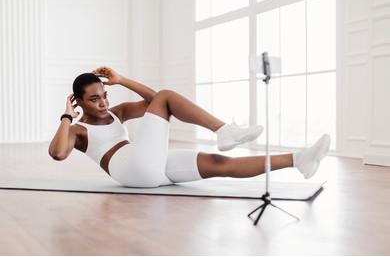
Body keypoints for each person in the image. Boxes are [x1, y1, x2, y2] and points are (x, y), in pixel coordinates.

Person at [48, 67, 330, 188]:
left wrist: (121, 80)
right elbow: (58, 154)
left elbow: (153, 99)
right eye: (94, 99)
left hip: (149, 165)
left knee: (219, 162)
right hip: (131, 169)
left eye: (104, 95)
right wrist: (66, 116)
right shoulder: (78, 130)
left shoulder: (117, 113)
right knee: (168, 96)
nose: (102, 103)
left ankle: (298, 160)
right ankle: (224, 131)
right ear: (79, 102)